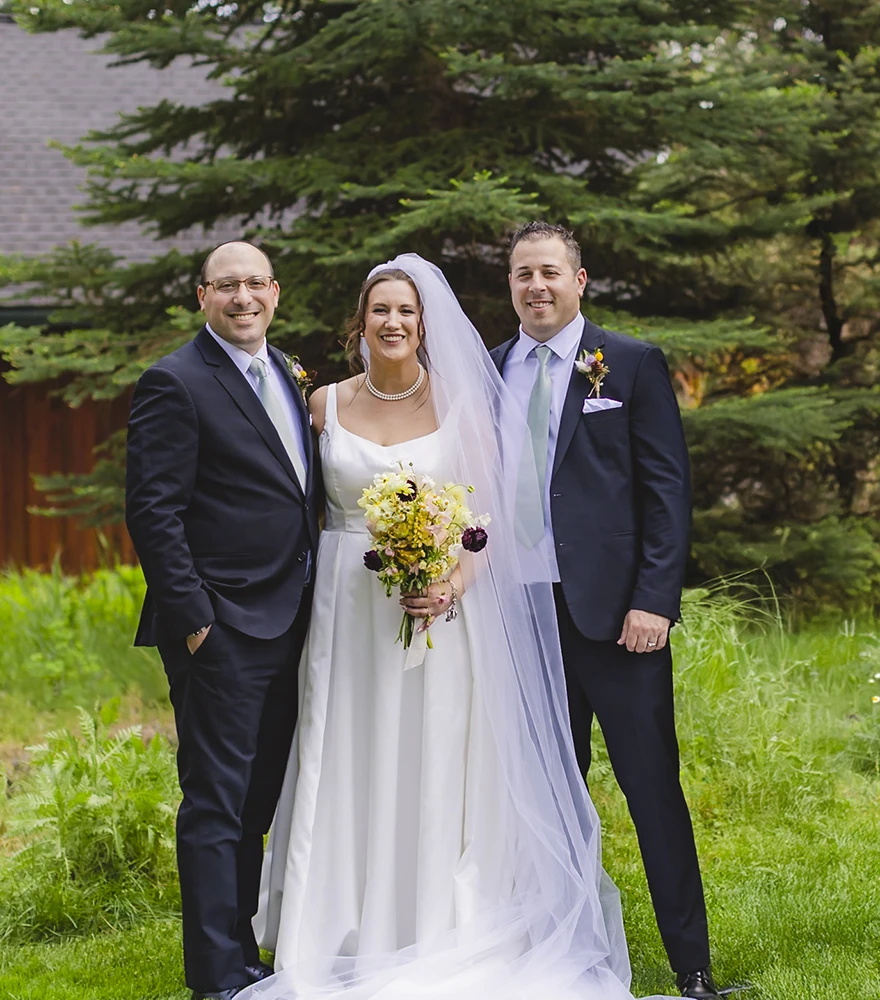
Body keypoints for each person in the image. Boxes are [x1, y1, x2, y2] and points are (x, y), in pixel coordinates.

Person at [244, 255, 677, 1000]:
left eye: (406, 311)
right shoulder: (323, 407)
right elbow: (299, 513)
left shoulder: (465, 403)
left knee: (439, 757)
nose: (393, 322)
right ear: (361, 322)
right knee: (346, 750)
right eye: (379, 310)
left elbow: (488, 521)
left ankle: (441, 924)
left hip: (446, 612)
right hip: (346, 619)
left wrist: (448, 582)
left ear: (425, 322)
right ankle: (335, 928)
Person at [490, 222, 718, 1000]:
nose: (536, 286)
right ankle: (559, 956)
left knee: (652, 792)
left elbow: (666, 493)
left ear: (579, 280)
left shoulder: (629, 364)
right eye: (523, 274)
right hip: (521, 618)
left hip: (619, 622)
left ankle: (692, 968)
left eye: (550, 272)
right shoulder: (490, 372)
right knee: (545, 801)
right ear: (510, 285)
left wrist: (654, 601)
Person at [125, 241, 320, 1000]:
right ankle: (215, 977)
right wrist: (195, 620)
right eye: (226, 286)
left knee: (257, 801)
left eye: (255, 284)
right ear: (202, 296)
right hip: (222, 629)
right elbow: (153, 510)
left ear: (275, 291)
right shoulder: (175, 381)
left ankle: (243, 955)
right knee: (216, 802)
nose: (243, 298)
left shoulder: (286, 370)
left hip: (293, 621)